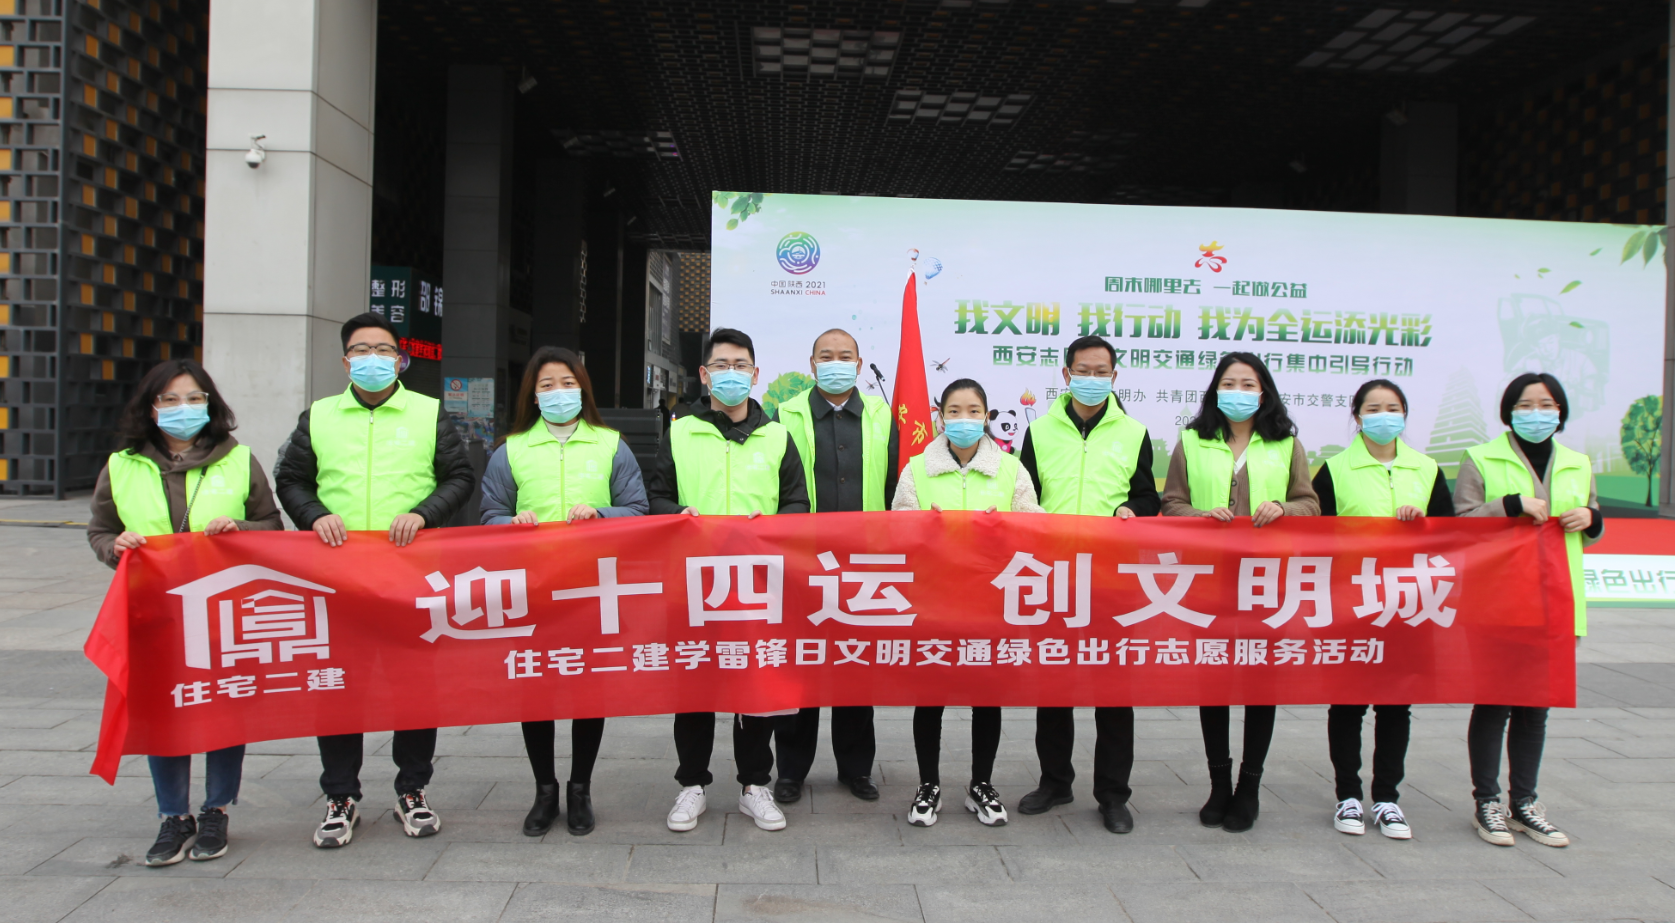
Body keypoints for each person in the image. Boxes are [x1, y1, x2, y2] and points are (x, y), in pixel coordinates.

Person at [274, 312, 475, 849]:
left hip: (411, 577)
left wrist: (425, 514)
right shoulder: (318, 416)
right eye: (362, 350)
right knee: (339, 685)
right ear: (346, 362)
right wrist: (314, 515)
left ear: (400, 360)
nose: (373, 359)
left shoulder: (428, 412)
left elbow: (460, 476)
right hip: (337, 578)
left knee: (415, 686)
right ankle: (341, 795)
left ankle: (413, 789)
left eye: (383, 350)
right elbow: (291, 479)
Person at [86, 360, 284, 866]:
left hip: (223, 610)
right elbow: (100, 530)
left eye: (194, 398)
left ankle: (217, 809)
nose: (183, 408)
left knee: (224, 705)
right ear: (151, 408)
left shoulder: (238, 460)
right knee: (165, 708)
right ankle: (173, 816)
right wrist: (115, 547)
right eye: (170, 400)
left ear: (210, 405)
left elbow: (271, 525)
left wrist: (240, 529)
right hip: (154, 609)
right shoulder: (122, 465)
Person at [645, 327, 810, 832]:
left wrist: (772, 528)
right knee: (694, 684)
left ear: (755, 375)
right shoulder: (680, 432)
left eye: (740, 366)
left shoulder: (777, 436)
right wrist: (679, 515)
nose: (731, 374)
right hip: (696, 583)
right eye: (721, 365)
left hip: (758, 584)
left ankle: (754, 784)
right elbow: (656, 497)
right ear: (704, 374)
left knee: (755, 686)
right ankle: (691, 784)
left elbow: (798, 503)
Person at [480, 346, 649, 837]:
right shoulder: (510, 450)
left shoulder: (611, 445)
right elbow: (489, 515)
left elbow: (637, 509)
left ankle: (580, 789)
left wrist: (602, 514)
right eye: (548, 385)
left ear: (583, 389)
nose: (559, 393)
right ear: (533, 396)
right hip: (533, 590)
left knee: (587, 690)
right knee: (536, 690)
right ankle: (544, 790)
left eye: (568, 383)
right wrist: (510, 523)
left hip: (592, 589)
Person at [1162, 351, 1320, 833]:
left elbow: (1311, 503)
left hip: (1267, 583)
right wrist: (1201, 516)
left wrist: (1284, 508)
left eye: (1248, 384)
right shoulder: (1192, 441)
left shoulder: (1286, 444)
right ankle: (1218, 785)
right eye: (1229, 383)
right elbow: (1171, 504)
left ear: (1263, 392)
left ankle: (1249, 787)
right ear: (1216, 391)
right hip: (1208, 580)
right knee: (1214, 681)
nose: (1238, 392)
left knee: (1259, 683)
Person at [1014, 335, 1160, 834]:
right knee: (1053, 686)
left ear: (1114, 377)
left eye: (1101, 372)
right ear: (1066, 374)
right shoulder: (1039, 432)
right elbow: (1024, 498)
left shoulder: (1134, 433)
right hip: (1053, 576)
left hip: (1112, 579)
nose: (1092, 379)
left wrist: (1132, 509)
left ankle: (1113, 795)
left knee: (1113, 692)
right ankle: (1055, 781)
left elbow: (1148, 497)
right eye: (1083, 370)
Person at [1455, 372, 1600, 849]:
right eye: (1525, 404)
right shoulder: (1481, 457)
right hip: (1498, 601)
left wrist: (1591, 519)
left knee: (1536, 707)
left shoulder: (1578, 462)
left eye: (1546, 404)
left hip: (1557, 600)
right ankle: (1486, 802)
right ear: (1509, 411)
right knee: (1494, 703)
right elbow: (1461, 523)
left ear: (1560, 411)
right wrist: (1508, 505)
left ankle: (1524, 803)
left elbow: (1591, 521)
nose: (1536, 413)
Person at [892, 378, 1041, 827]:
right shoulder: (916, 469)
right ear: (940, 417)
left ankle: (982, 784)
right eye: (954, 411)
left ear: (987, 416)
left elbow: (1035, 530)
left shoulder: (1011, 469)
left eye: (974, 411)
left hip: (991, 602)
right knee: (930, 697)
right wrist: (923, 527)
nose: (964, 419)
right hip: (933, 601)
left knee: (986, 696)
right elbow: (897, 530)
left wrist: (1005, 530)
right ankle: (928, 784)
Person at [1313, 378, 1453, 841]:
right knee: (1348, 702)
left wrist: (1424, 524)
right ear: (1357, 416)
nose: (1383, 416)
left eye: (1392, 408)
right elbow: (1314, 537)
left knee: (1396, 704)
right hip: (1350, 603)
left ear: (1405, 414)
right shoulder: (1334, 470)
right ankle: (1348, 796)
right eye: (1372, 408)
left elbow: (1452, 536)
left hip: (1410, 604)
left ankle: (1388, 798)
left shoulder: (1427, 469)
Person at [767, 328, 899, 805]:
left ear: (859, 365)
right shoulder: (785, 414)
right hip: (803, 561)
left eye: (846, 356)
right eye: (827, 356)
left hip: (865, 562)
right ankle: (791, 770)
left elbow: (893, 486)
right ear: (812, 363)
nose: (836, 363)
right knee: (799, 665)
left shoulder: (882, 415)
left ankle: (856, 768)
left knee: (854, 665)